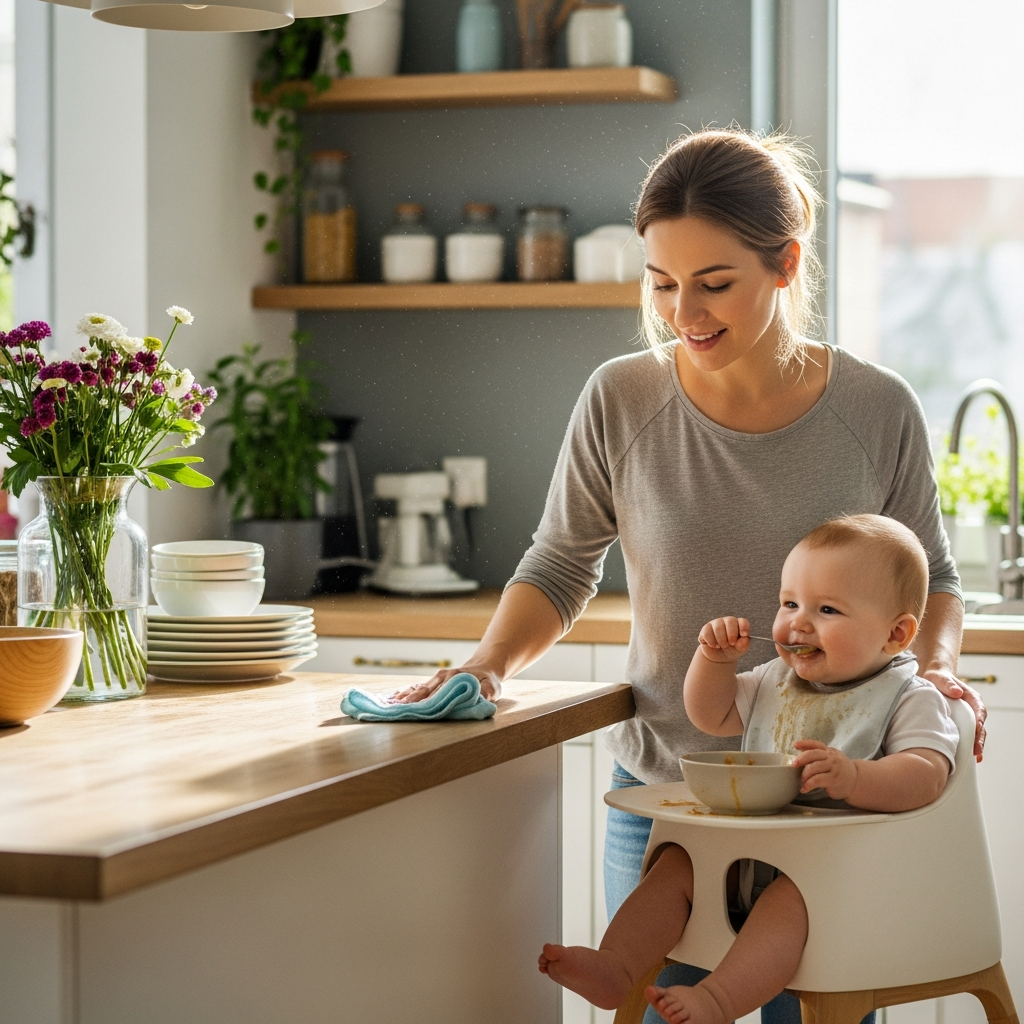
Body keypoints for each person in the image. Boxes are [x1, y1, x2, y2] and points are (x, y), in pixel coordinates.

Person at [395, 128, 986, 1024]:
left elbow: (931, 576)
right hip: (669, 802)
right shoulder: (620, 399)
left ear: (785, 264)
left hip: (828, 818)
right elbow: (560, 563)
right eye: (661, 283)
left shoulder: (876, 408)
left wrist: (937, 669)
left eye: (715, 284)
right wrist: (486, 664)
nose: (685, 312)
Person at [537, 514, 958, 1024]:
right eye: (789, 603)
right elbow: (710, 715)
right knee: (677, 867)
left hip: (836, 885)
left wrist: (856, 778)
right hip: (746, 861)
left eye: (826, 609)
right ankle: (618, 967)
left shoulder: (910, 698)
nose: (798, 623)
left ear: (896, 634)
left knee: (788, 901)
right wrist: (713, 661)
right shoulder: (774, 679)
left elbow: (928, 772)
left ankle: (717, 1000)